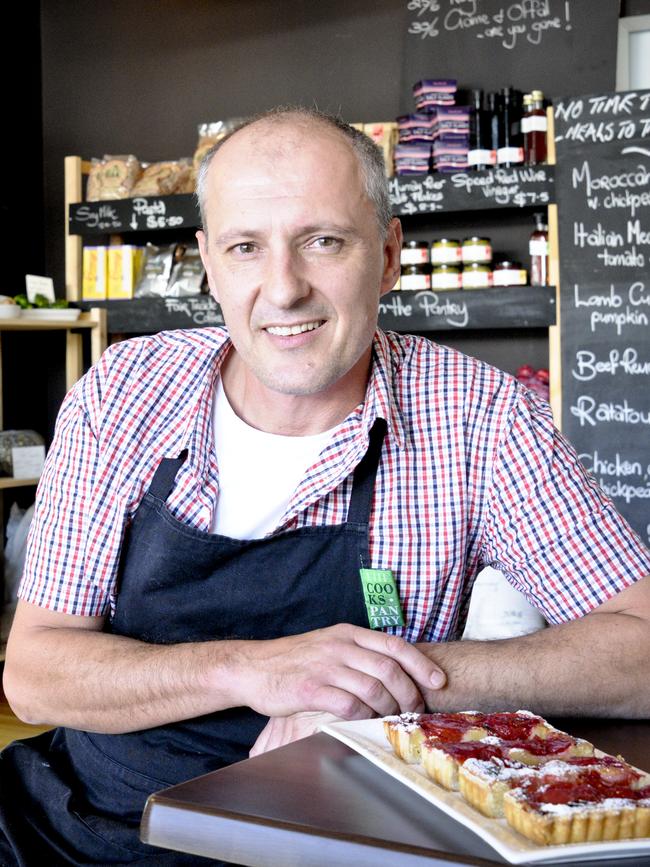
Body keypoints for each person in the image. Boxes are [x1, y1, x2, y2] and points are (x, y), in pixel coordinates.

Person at [1, 106, 649, 864]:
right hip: (82, 829)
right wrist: (255, 665)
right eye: (247, 247)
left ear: (387, 253)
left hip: (345, 839)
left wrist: (381, 688)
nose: (284, 289)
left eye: (323, 241)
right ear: (208, 263)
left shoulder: (481, 417)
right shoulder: (125, 391)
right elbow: (38, 674)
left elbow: (640, 646)